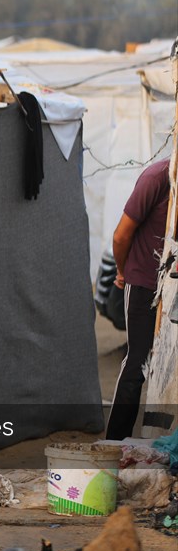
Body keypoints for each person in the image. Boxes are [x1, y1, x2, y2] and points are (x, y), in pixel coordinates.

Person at [106, 159, 170, 440]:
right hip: (145, 282)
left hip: (173, 284)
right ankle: (114, 443)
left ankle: (159, 439)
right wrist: (123, 272)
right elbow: (121, 235)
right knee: (137, 363)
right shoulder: (157, 177)